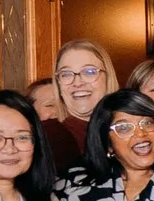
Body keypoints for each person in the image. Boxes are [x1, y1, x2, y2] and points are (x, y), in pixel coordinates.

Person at [49, 38, 120, 166]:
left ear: (108, 78)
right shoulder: (49, 136)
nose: (77, 82)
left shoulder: (132, 132)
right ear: (58, 85)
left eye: (89, 71)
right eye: (66, 74)